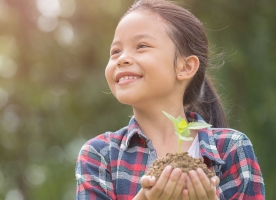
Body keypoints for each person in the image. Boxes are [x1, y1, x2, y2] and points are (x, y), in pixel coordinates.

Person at [75, 0, 265, 199]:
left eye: (141, 46)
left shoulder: (232, 149)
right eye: (115, 51)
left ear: (185, 67)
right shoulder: (100, 154)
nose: (122, 58)